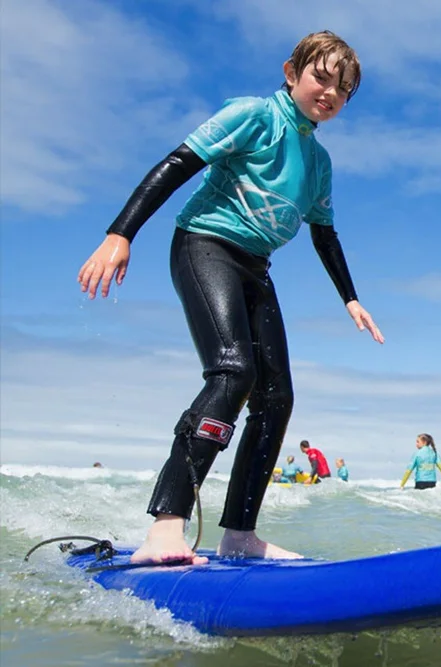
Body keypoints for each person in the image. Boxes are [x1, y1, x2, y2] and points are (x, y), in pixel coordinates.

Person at [77, 31, 383, 565]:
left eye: (343, 90)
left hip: (255, 266)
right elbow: (177, 164)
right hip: (205, 245)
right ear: (291, 72)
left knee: (277, 397)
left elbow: (324, 234)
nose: (331, 94)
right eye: (321, 78)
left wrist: (350, 299)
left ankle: (240, 534)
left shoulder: (319, 162)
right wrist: (120, 233)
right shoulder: (254, 116)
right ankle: (165, 527)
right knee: (232, 371)